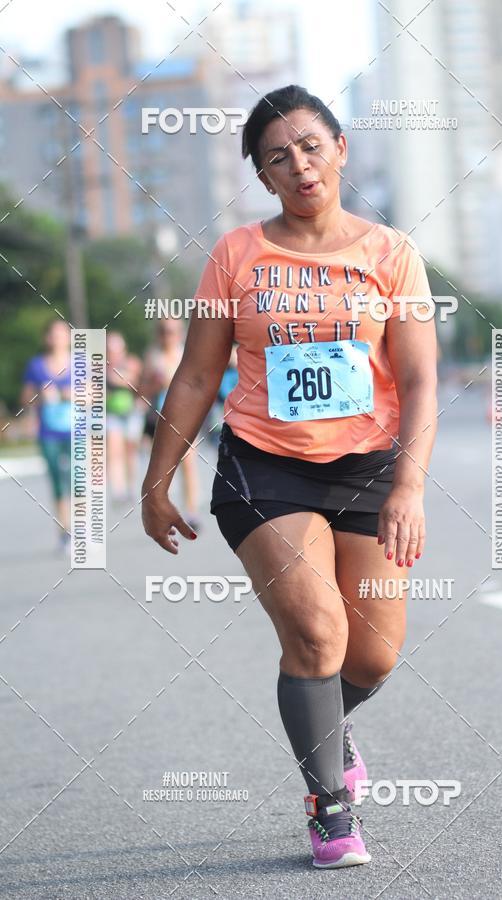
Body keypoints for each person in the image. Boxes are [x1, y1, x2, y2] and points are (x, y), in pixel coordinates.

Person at [141, 85, 438, 870]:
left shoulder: (391, 254)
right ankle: (329, 806)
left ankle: (329, 731)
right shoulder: (236, 255)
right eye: (278, 156)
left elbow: (419, 381)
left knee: (372, 657)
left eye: (310, 145)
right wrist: (155, 483)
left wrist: (407, 486)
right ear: (264, 178)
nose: (298, 163)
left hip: (369, 468)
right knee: (317, 633)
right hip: (264, 466)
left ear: (340, 149)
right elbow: (198, 377)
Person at [140, 318, 200, 531]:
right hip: (160, 420)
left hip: (186, 417)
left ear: (181, 333)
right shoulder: (152, 357)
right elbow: (142, 390)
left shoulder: (188, 353)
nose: (169, 336)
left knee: (188, 465)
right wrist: (154, 385)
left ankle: (191, 512)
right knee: (164, 469)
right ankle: (166, 511)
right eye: (164, 332)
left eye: (173, 332)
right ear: (159, 335)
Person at [22, 320, 72, 554]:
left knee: (76, 481)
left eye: (62, 334)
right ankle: (65, 532)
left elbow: (95, 395)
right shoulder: (36, 366)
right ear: (47, 338)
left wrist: (70, 394)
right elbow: (26, 399)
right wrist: (41, 397)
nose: (58, 338)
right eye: (53, 334)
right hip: (49, 433)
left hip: (76, 431)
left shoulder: (80, 363)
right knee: (58, 482)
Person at [106, 331, 143, 502]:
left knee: (130, 451)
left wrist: (117, 378)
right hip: (111, 412)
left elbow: (135, 382)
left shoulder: (132, 362)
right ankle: (118, 489)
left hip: (131, 412)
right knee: (114, 450)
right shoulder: (101, 365)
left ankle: (131, 486)